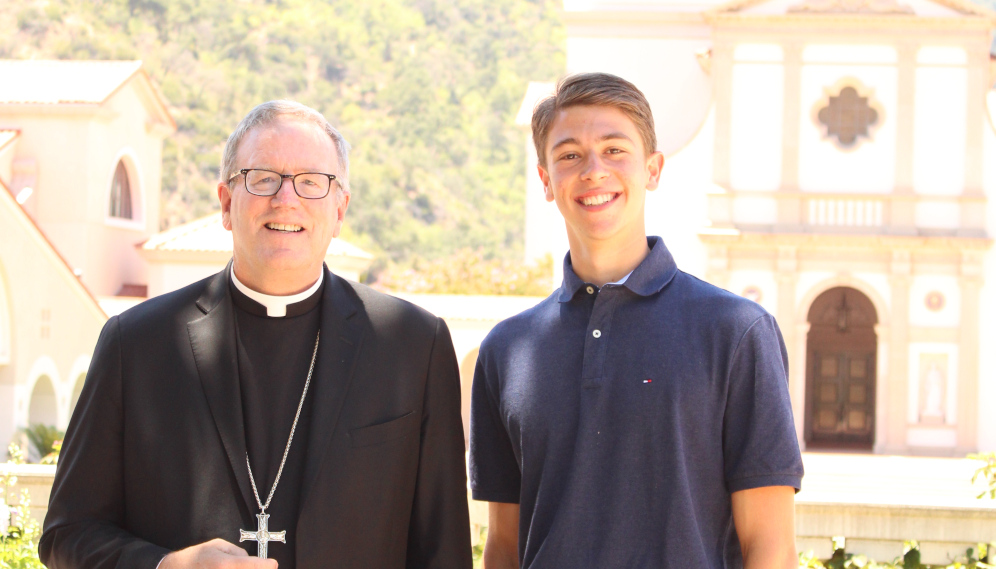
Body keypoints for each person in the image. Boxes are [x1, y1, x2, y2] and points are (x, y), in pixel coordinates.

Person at [40, 101, 472, 569]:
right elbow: (68, 533)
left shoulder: (412, 345)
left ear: (340, 208)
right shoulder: (136, 345)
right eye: (262, 177)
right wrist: (167, 567)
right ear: (227, 203)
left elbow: (443, 552)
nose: (286, 199)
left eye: (312, 182)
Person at [469, 73, 803, 569]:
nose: (593, 171)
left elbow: (770, 546)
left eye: (614, 150)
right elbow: (503, 546)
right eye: (569, 156)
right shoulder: (507, 349)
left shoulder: (737, 332)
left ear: (653, 169)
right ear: (545, 181)